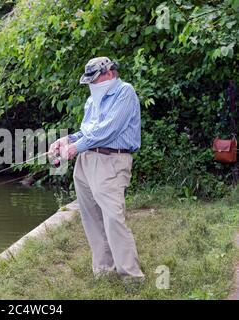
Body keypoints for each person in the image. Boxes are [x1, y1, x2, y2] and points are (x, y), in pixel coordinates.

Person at [50, 57, 144, 280]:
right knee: (91, 217)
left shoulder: (125, 92)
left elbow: (108, 130)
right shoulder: (93, 99)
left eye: (96, 78)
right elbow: (88, 131)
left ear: (110, 73)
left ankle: (131, 276)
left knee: (113, 217)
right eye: (90, 80)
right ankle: (104, 271)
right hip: (86, 162)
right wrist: (66, 140)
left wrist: (74, 148)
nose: (93, 83)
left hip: (111, 161)